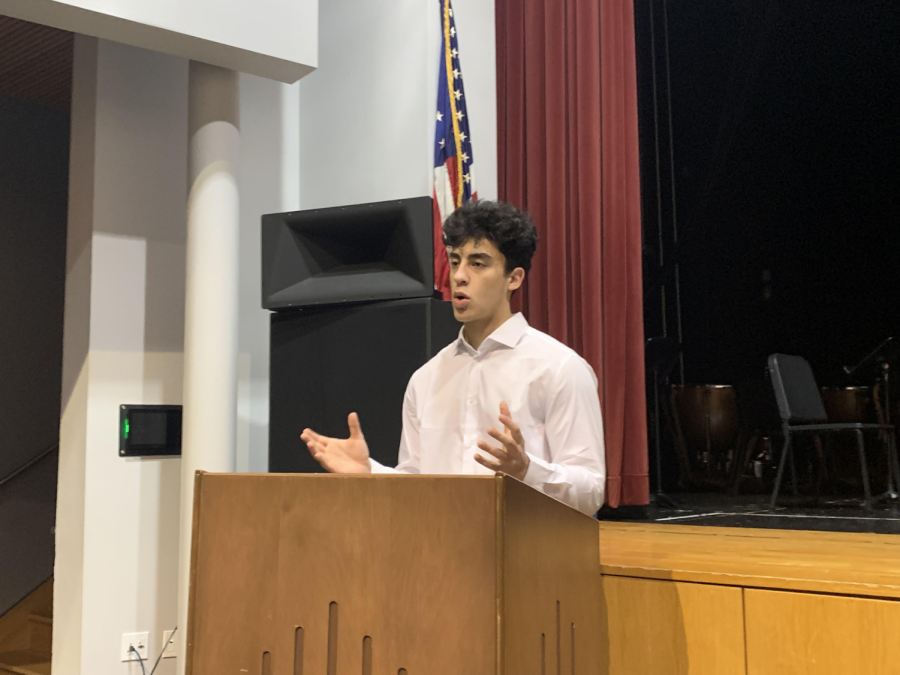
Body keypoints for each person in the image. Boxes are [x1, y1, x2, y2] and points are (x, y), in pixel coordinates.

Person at [301, 200, 606, 515]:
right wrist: (371, 473)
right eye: (455, 260)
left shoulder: (560, 369)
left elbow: (591, 492)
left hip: (527, 555)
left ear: (513, 278)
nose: (459, 276)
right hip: (441, 554)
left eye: (478, 263)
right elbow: (417, 487)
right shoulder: (426, 378)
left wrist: (527, 470)